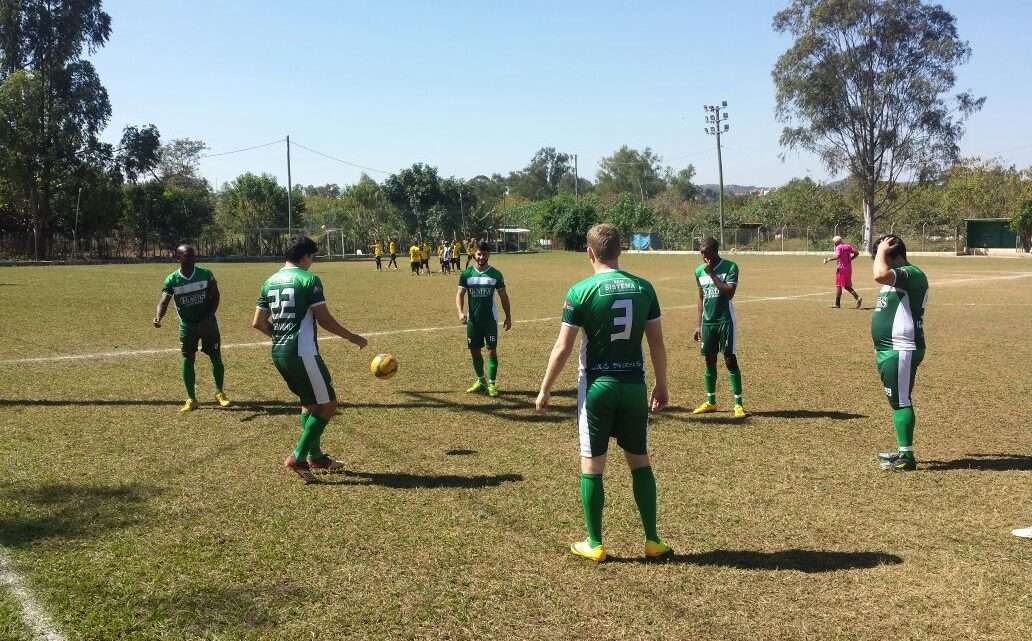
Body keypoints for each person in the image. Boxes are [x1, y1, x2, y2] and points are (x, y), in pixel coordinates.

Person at [535, 223, 672, 563]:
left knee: (593, 465)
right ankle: (652, 539)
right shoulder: (644, 288)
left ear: (590, 253)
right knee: (640, 461)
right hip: (633, 386)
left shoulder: (580, 290)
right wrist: (663, 383)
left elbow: (563, 347)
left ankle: (594, 542)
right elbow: (656, 342)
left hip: (597, 387)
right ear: (620, 251)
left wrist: (545, 389)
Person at [252, 236, 368, 483]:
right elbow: (324, 320)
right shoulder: (309, 280)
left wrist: (281, 337)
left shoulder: (269, 282)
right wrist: (352, 337)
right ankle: (297, 457)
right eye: (312, 257)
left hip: (280, 353)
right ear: (304, 256)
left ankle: (316, 457)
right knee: (327, 405)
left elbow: (258, 323)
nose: (312, 263)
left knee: (309, 404)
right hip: (303, 352)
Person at [871, 235, 928, 472]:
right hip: (890, 350)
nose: (878, 261)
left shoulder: (911, 273)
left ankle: (907, 456)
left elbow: (878, 275)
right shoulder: (898, 278)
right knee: (897, 400)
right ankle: (904, 452)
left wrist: (881, 250)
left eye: (883, 256)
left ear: (894, 255)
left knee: (901, 401)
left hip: (901, 349)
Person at [153, 244, 230, 414]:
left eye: (193, 255)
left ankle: (220, 393)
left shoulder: (206, 274)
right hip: (187, 326)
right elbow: (164, 301)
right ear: (178, 258)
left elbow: (215, 296)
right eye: (187, 256)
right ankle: (191, 399)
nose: (191, 258)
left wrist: (209, 316)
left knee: (216, 356)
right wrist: (158, 316)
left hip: (208, 324)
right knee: (188, 359)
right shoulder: (172, 280)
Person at [690, 237, 747, 419]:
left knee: (729, 359)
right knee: (709, 360)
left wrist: (712, 274)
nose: (703, 256)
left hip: (725, 321)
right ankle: (711, 402)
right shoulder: (699, 271)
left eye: (706, 252)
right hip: (708, 323)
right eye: (701, 252)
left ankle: (738, 404)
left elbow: (729, 293)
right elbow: (700, 297)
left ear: (715, 251)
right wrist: (698, 324)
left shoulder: (730, 267)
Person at [456, 244, 511, 397]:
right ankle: (481, 381)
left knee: (492, 351)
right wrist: (460, 312)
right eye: (479, 254)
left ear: (489, 255)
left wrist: (508, 316)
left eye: (484, 254)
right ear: (474, 254)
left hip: (490, 321)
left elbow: (503, 296)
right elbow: (460, 294)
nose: (481, 257)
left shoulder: (495, 274)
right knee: (474, 351)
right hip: (473, 321)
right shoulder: (466, 274)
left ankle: (492, 383)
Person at [823, 236, 862, 308]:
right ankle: (857, 297)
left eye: (834, 242)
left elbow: (837, 256)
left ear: (837, 242)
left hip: (841, 269)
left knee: (838, 285)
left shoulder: (839, 247)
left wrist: (828, 259)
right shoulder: (848, 246)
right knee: (847, 286)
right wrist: (850, 259)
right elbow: (857, 253)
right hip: (849, 269)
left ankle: (837, 304)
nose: (834, 244)